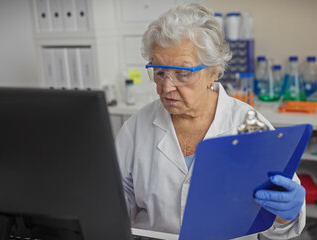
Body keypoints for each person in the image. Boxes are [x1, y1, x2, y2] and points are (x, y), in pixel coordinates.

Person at [115, 3, 306, 239]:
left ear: (213, 72)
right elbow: (116, 205)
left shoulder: (250, 127)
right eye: (159, 71)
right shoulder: (135, 128)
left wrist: (285, 213)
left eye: (182, 73)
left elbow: (279, 229)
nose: (166, 87)